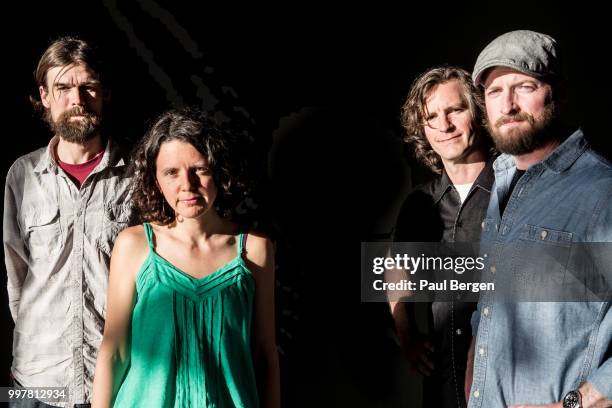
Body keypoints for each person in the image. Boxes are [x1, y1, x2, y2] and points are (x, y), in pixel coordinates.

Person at [91, 108, 280, 407]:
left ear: (219, 171)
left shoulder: (254, 249)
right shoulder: (134, 245)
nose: (187, 185)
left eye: (200, 169)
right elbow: (114, 351)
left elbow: (264, 354)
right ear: (155, 180)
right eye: (171, 172)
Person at [465, 30, 612, 408]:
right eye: (495, 92)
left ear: (557, 93)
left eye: (524, 86)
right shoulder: (500, 184)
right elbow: (490, 308)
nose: (507, 104)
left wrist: (575, 404)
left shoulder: (602, 192)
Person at [3, 36, 133, 407]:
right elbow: (17, 277)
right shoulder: (21, 174)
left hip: (117, 380)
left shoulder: (139, 172)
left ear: (105, 93)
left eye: (88, 86)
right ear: (44, 96)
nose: (76, 100)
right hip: (36, 380)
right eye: (62, 87)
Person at [392, 66, 494, 408]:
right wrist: (406, 335)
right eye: (431, 116)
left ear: (477, 113)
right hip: (443, 389)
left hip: (505, 389)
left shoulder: (516, 193)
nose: (444, 125)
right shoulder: (419, 205)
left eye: (454, 110)